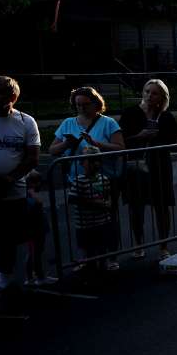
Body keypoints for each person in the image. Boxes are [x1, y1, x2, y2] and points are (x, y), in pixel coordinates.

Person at [0, 76, 40, 297]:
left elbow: (32, 157)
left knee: (8, 240)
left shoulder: (25, 121)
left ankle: (5, 281)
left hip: (13, 194)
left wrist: (10, 178)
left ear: (13, 96)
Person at [50, 86, 126, 268]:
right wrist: (66, 143)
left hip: (105, 180)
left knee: (107, 218)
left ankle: (111, 256)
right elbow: (52, 150)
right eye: (78, 105)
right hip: (77, 180)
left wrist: (97, 144)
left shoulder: (108, 123)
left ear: (96, 104)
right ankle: (87, 257)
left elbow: (121, 147)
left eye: (86, 104)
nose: (82, 108)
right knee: (84, 222)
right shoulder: (68, 123)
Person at [119, 78, 177, 259]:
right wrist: (139, 136)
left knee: (162, 206)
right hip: (136, 166)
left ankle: (163, 246)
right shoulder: (131, 113)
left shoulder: (165, 115)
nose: (149, 95)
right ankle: (138, 244)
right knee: (136, 206)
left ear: (162, 97)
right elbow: (120, 141)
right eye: (147, 91)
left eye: (154, 92)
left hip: (160, 166)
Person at [22, 170, 54, 287]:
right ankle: (38, 277)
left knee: (35, 252)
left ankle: (32, 276)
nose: (40, 185)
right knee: (35, 253)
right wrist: (32, 192)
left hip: (37, 227)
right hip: (34, 229)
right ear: (33, 183)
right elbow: (38, 203)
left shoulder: (29, 193)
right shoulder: (29, 194)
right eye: (38, 183)